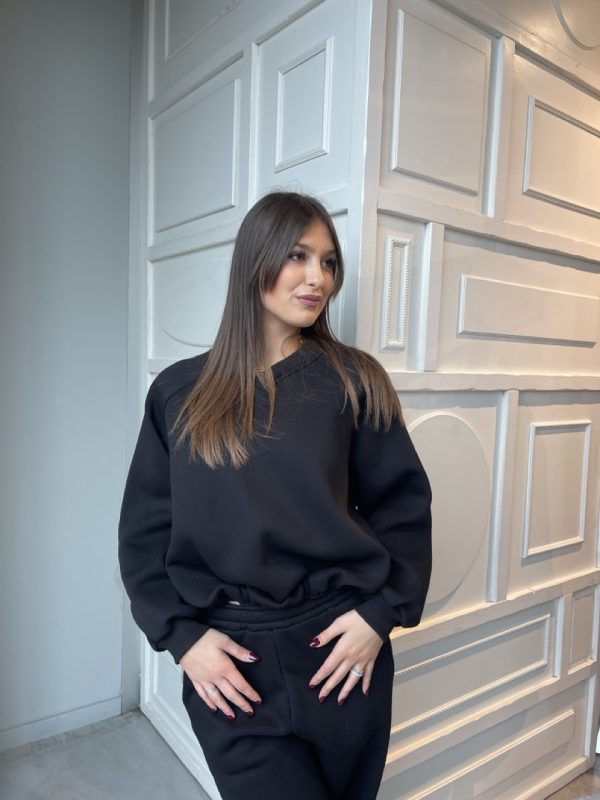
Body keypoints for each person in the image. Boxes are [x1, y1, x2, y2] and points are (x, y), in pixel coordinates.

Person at [118, 191, 432, 800]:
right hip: (231, 664)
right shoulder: (179, 394)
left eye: (329, 262)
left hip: (339, 653)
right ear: (254, 259)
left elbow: (403, 508)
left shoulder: (355, 381)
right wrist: (182, 638)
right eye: (297, 255)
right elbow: (145, 533)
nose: (318, 278)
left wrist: (379, 615)